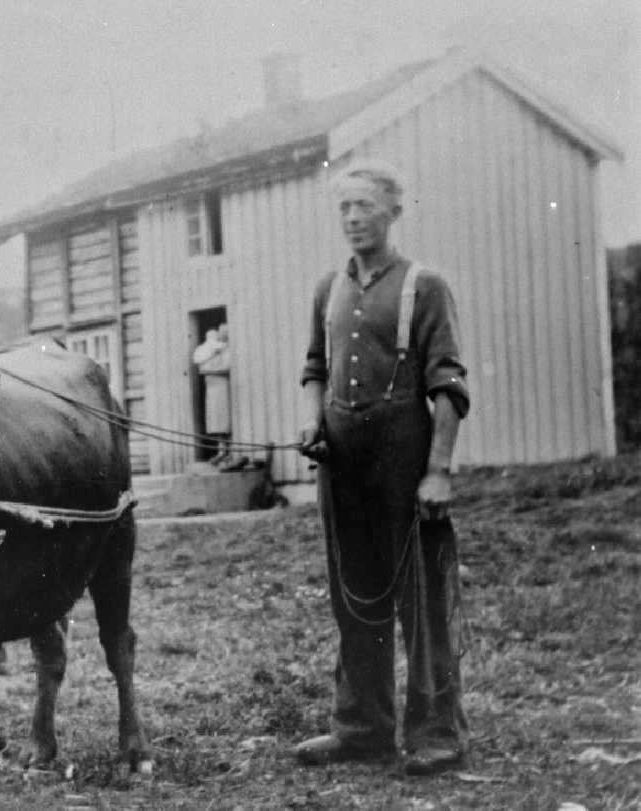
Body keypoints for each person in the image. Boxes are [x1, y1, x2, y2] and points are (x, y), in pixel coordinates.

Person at [295, 160, 469, 775]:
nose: (352, 218)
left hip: (404, 456)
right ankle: (362, 726)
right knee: (355, 593)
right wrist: (313, 422)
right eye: (344, 207)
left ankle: (437, 733)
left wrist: (438, 471)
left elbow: (447, 386)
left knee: (419, 598)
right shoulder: (327, 288)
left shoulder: (426, 285)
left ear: (393, 212)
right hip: (340, 465)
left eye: (364, 206)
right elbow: (315, 370)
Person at [192, 323, 234, 466]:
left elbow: (226, 367)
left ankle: (227, 451)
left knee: (224, 420)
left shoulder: (226, 350)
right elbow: (199, 361)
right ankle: (221, 450)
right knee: (215, 419)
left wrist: (210, 369)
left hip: (221, 386)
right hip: (212, 387)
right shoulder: (208, 349)